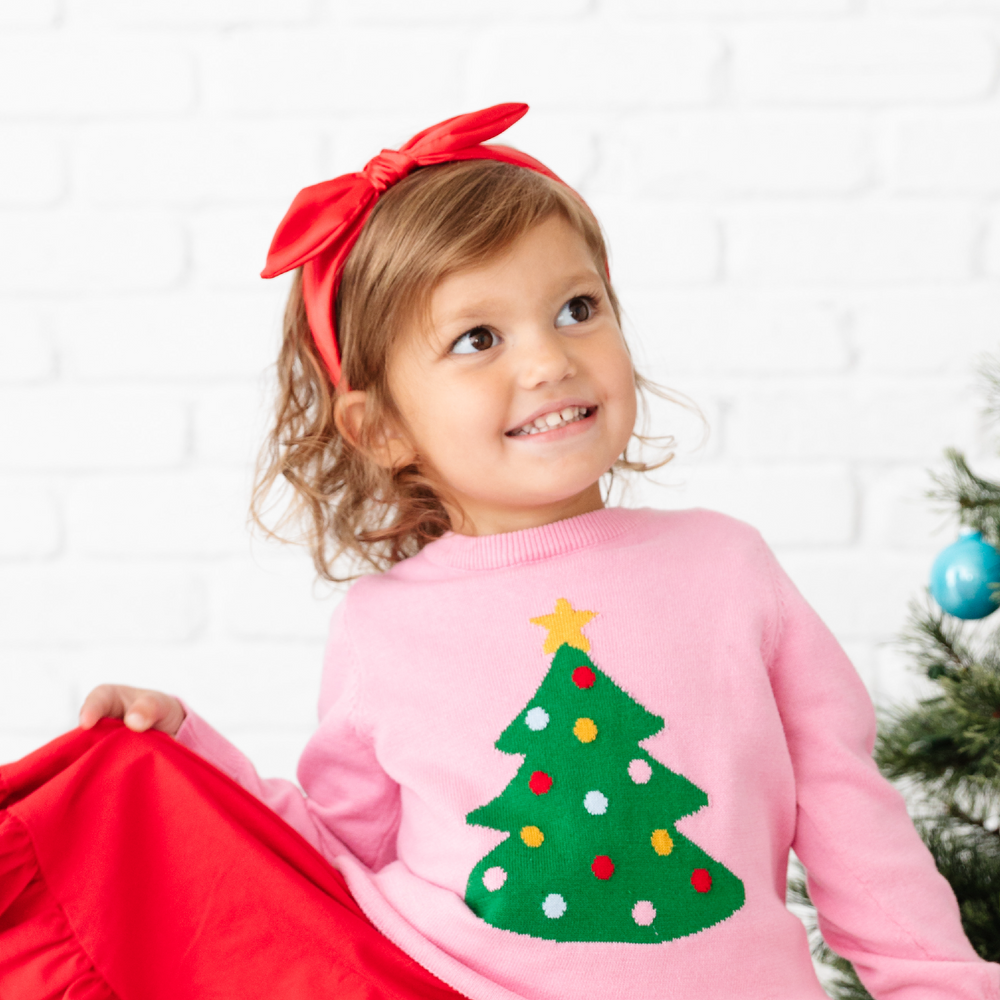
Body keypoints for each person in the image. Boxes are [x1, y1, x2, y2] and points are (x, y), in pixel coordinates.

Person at [1, 103, 996, 1000]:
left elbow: (848, 813)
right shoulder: (384, 626)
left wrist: (938, 981)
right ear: (379, 428)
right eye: (477, 338)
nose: (548, 357)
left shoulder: (727, 569)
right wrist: (190, 752)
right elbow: (333, 854)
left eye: (577, 308)